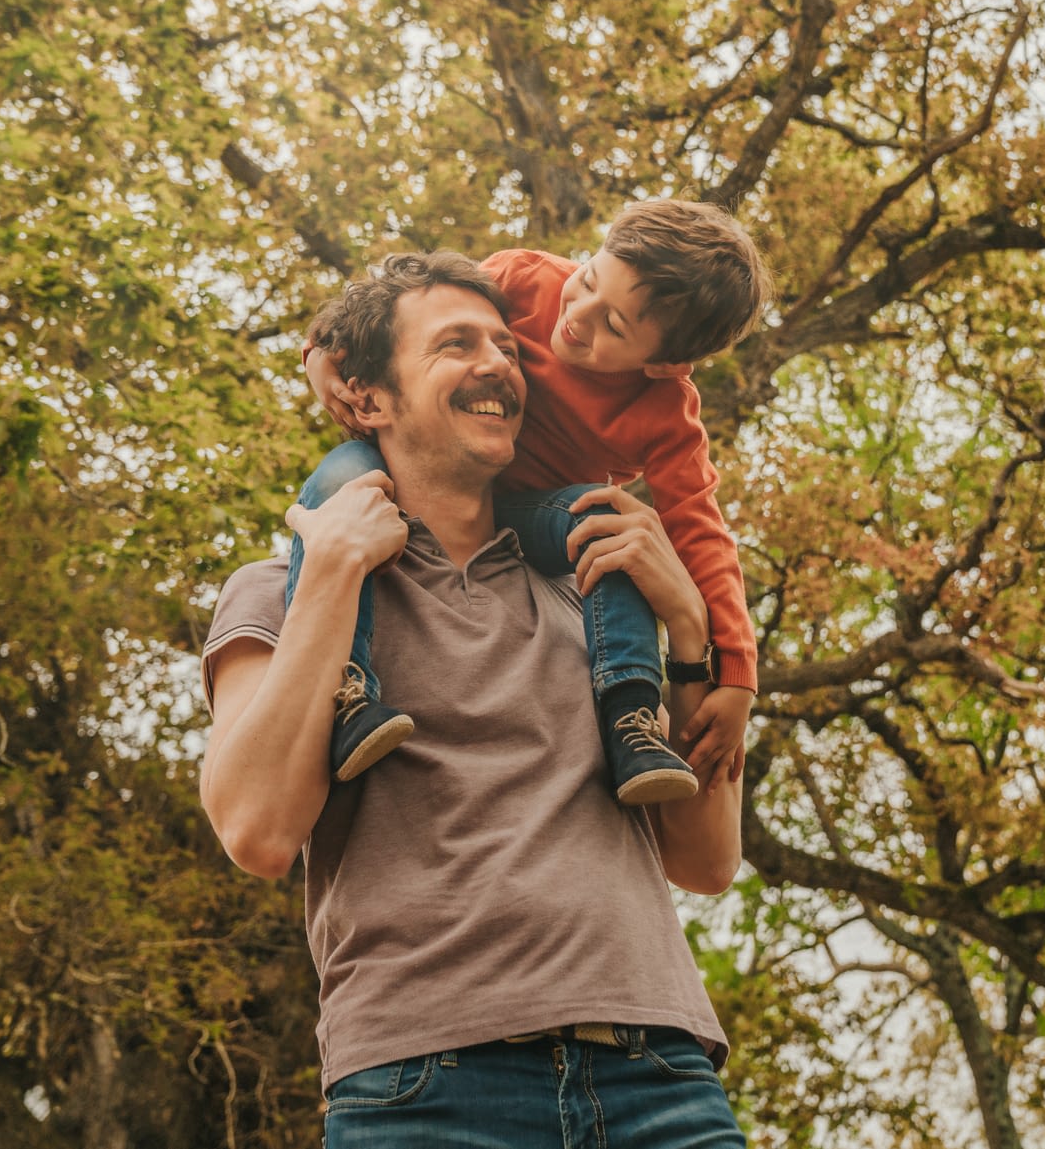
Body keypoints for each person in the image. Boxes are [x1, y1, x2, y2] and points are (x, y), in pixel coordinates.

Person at [199, 251, 747, 1146]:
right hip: (424, 1087)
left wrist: (691, 634)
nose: (500, 362)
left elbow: (707, 860)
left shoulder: (599, 596)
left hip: (660, 1075)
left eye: (506, 344)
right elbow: (257, 830)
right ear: (369, 399)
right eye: (456, 345)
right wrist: (334, 574)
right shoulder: (277, 594)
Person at [285, 201, 769, 805]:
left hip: (527, 516)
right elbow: (402, 316)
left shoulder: (667, 414)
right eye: (589, 278)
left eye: (614, 326)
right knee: (340, 484)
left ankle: (630, 714)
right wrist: (321, 360)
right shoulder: (523, 277)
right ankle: (344, 689)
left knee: (612, 529)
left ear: (665, 363)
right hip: (409, 476)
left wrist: (738, 675)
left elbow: (700, 530)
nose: (579, 314)